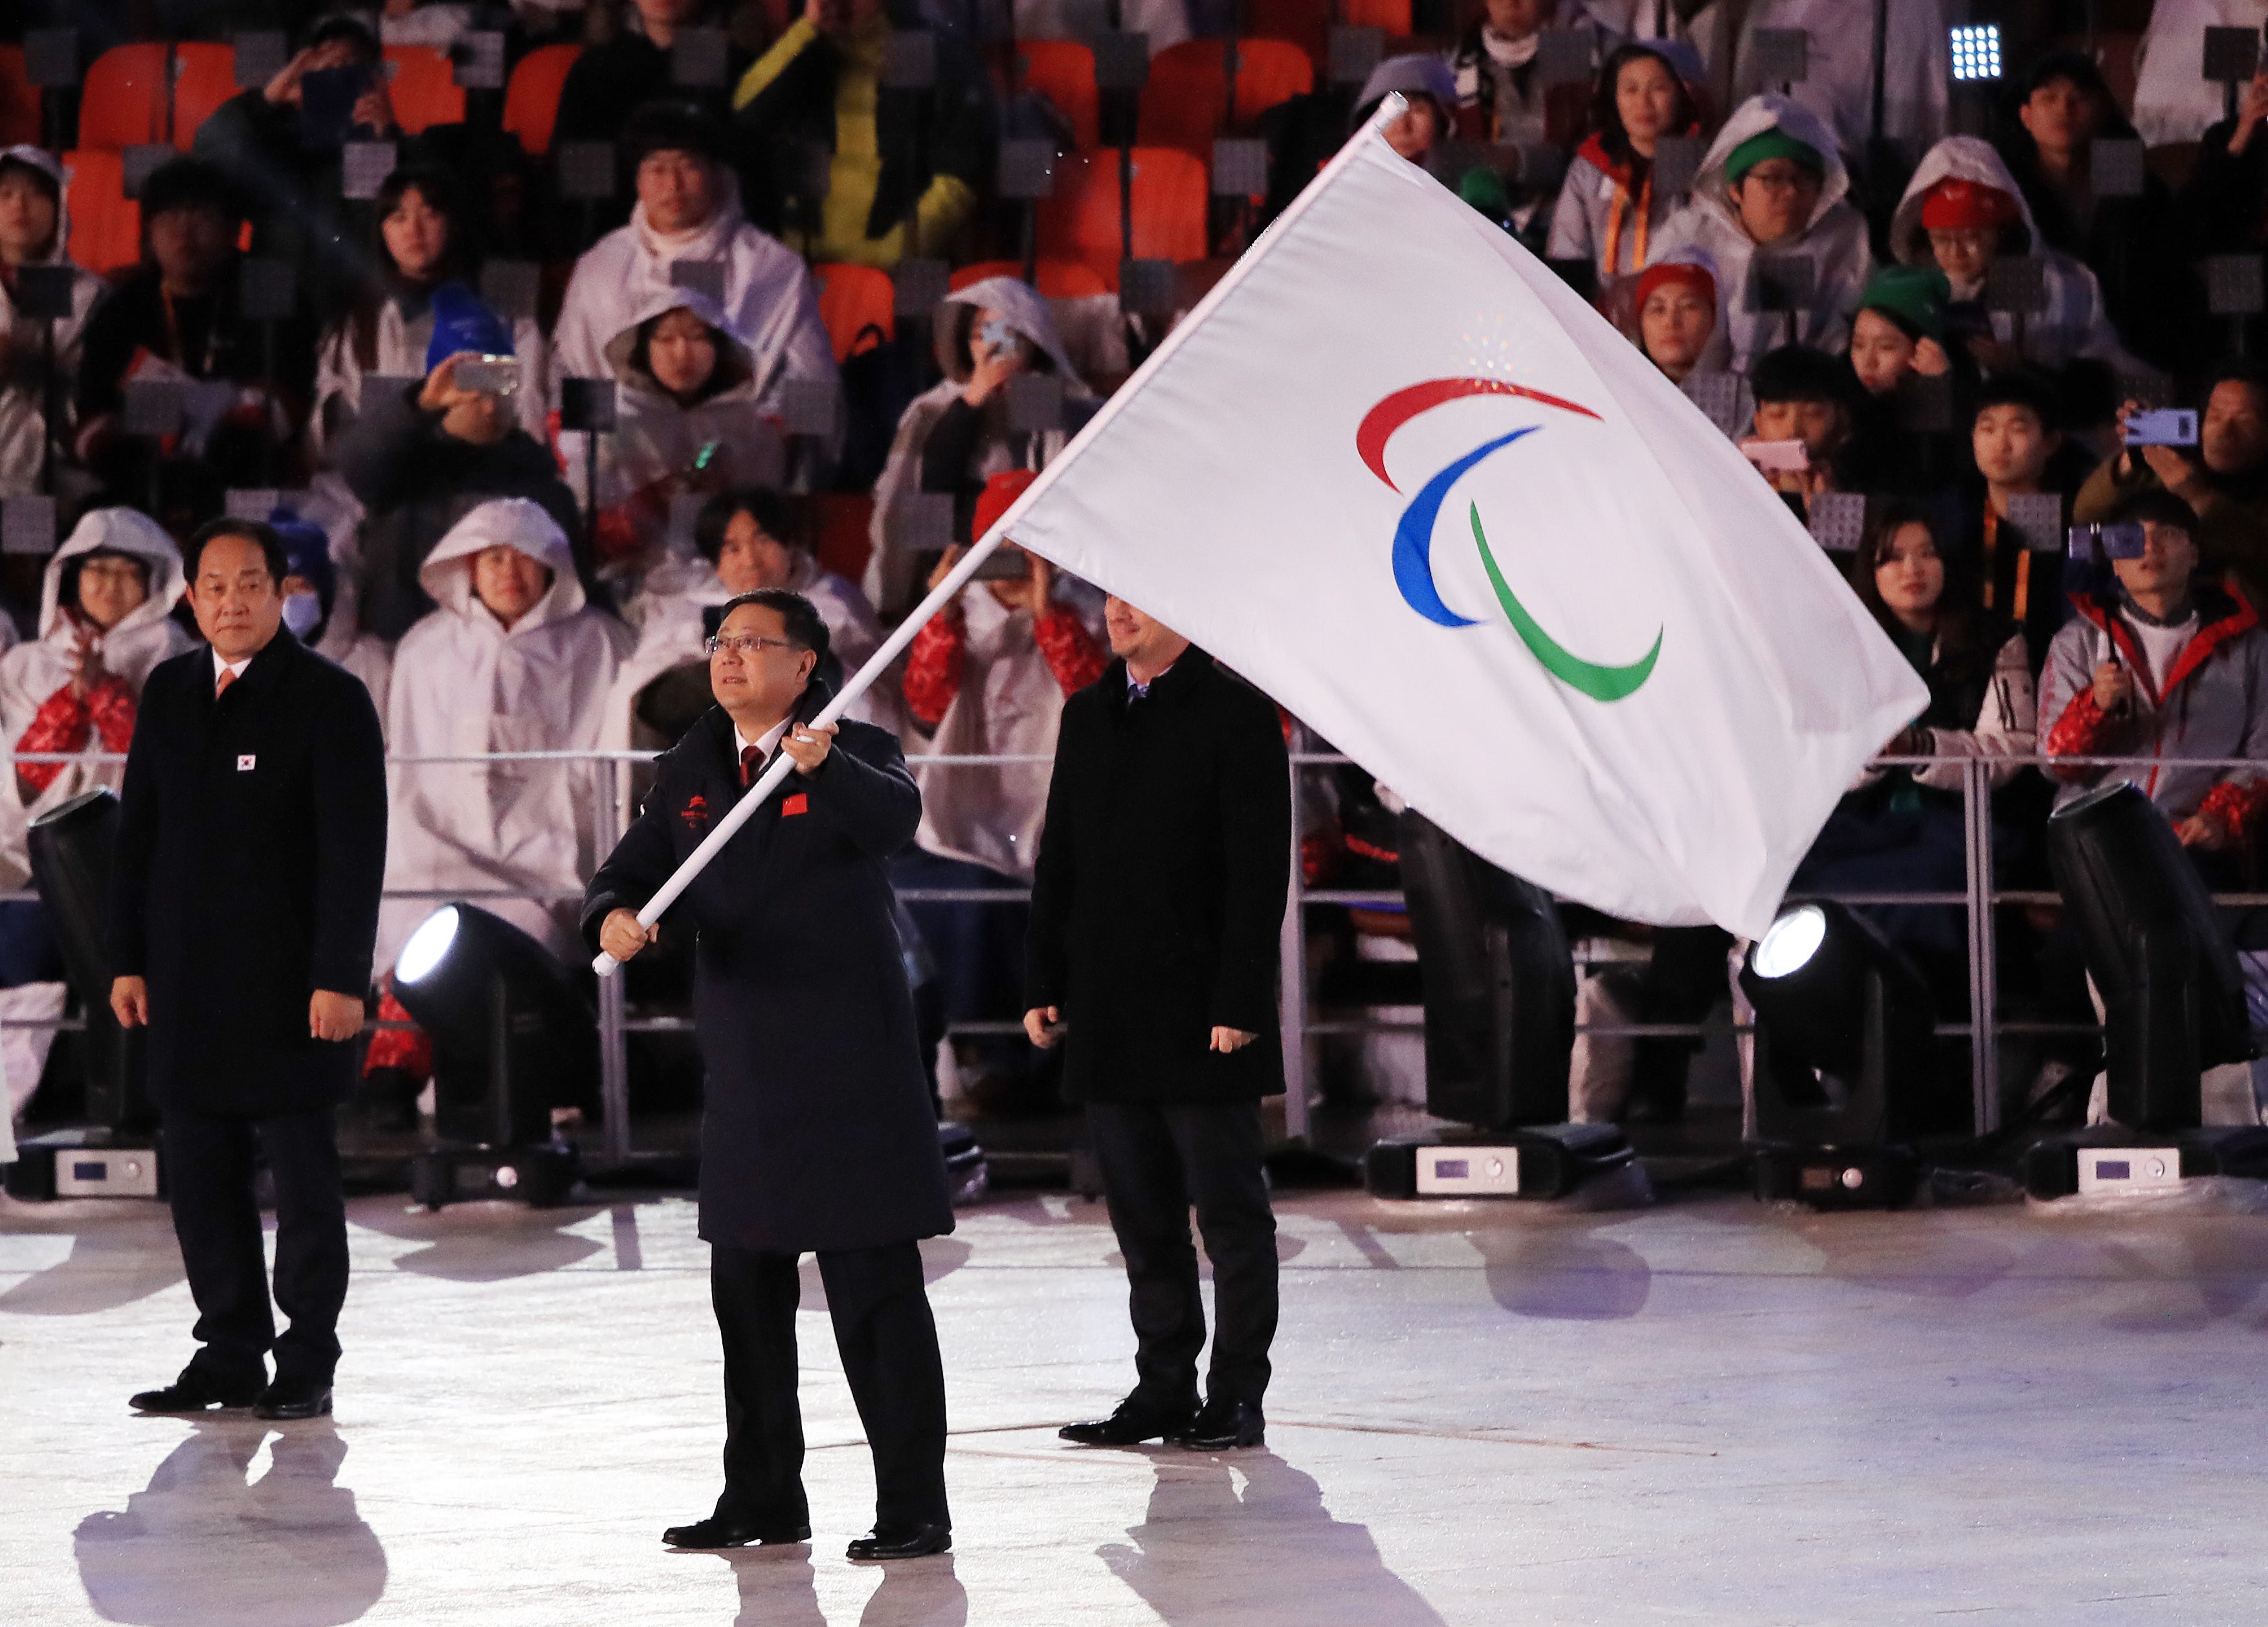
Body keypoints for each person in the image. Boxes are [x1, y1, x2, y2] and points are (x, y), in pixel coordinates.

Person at [584, 588, 955, 1562]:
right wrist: (612, 917)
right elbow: (627, 871)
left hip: (850, 1071)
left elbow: (894, 822)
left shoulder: (853, 745)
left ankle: (914, 1504)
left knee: (876, 1300)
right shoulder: (691, 766)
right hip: (746, 1074)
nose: (732, 657)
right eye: (723, 641)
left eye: (756, 643)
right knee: (746, 1302)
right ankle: (761, 1497)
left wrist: (823, 769)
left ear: (805, 665)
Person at [108, 516, 389, 1422]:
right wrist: (125, 957)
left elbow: (356, 851)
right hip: (187, 984)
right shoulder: (169, 690)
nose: (232, 601)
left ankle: (308, 1356)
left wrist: (342, 976)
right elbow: (137, 835)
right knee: (200, 1178)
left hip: (296, 989)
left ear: (284, 594)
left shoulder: (331, 697)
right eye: (215, 587)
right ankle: (228, 1350)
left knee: (304, 1184)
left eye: (251, 584)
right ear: (191, 599)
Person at [1027, 595, 1291, 1452]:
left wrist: (1242, 1004)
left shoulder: (1238, 713)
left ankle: (1238, 1394)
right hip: (1110, 1010)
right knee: (1142, 1218)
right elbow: (1058, 855)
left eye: (1138, 595)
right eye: (1108, 595)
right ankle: (1163, 1387)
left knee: (1230, 1216)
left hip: (1203, 1012)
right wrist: (1046, 979)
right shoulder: (1089, 712)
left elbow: (1258, 871)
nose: (1117, 611)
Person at [896, 472, 1106, 1109]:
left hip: (1065, 818)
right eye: (1004, 542)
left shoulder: (1094, 610)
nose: (1017, 558)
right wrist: (944, 614)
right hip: (969, 820)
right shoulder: (960, 609)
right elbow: (925, 704)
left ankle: (1049, 1064)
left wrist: (1049, 616)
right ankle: (986, 1056)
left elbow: (1097, 709)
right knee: (968, 900)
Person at [1788, 502, 2034, 1004]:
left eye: (1927, 554)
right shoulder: (1840, 645)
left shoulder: (1997, 640)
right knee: (1788, 875)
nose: (1911, 570)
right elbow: (1816, 752)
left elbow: (2011, 752)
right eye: (1893, 558)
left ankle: (1911, 1016)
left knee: (1924, 884)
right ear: (1870, 570)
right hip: (1862, 822)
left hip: (1958, 822)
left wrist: (1921, 748)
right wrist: (1874, 757)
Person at [375, 498, 630, 974]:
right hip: (439, 844)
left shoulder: (600, 642)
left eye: (524, 556)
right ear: (469, 567)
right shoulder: (424, 647)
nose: (509, 571)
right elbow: (409, 767)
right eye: (494, 558)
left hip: (553, 851)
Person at [548, 101, 837, 441]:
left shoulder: (769, 267)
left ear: (716, 173)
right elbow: (573, 372)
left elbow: (810, 378)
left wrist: (762, 442)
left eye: (688, 167)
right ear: (637, 179)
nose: (673, 186)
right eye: (657, 170)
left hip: (742, 452)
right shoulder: (602, 266)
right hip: (626, 461)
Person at [333, 288, 581, 641]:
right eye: (472, 386)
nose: (489, 405)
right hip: (407, 657)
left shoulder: (543, 486)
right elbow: (357, 464)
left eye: (500, 384)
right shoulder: (402, 472)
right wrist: (418, 404)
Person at [74, 159, 309, 502]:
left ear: (232, 230)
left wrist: (241, 420)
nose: (183, 234)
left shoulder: (268, 290)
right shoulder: (122, 307)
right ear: (149, 232)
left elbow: (295, 391)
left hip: (242, 468)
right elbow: (92, 407)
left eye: (200, 216)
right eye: (168, 218)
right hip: (146, 470)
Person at [2041, 489, 2268, 838]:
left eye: (2168, 534)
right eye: (2132, 539)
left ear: (2193, 553)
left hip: (2196, 840)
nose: (2150, 548)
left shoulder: (2249, 646)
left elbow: (2262, 753)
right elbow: (2054, 763)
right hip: (2100, 838)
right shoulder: (2077, 643)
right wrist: (2094, 709)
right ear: (2115, 561)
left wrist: (2220, 818)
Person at [867, 274, 1098, 615]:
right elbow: (923, 492)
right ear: (965, 343)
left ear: (1033, 340)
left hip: (1040, 568)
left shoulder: (1067, 405)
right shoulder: (933, 408)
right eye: (983, 334)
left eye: (1007, 334)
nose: (995, 347)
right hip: (960, 564)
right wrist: (974, 401)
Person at [0, 507, 192, 902]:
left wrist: (106, 692)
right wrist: (72, 700)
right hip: (30, 860)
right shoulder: (27, 663)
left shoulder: (179, 658)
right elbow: (19, 783)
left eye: (126, 572)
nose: (110, 584)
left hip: (147, 863)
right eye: (98, 570)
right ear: (74, 576)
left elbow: (167, 770)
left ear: (153, 580)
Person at [607, 486, 884, 754]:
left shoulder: (834, 599)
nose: (750, 560)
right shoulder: (688, 607)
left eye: (763, 541)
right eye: (733, 549)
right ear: (716, 563)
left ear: (790, 545)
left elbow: (864, 675)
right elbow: (645, 685)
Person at [308, 166, 549, 458]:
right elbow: (330, 436)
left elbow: (528, 411)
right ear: (382, 232)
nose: (414, 230)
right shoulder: (358, 326)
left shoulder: (499, 318)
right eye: (399, 217)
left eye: (429, 214)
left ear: (452, 223)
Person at [731, 0, 990, 268]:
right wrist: (807, 30)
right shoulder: (806, 48)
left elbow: (959, 177)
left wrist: (896, 249)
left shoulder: (937, 52)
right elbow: (747, 114)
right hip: (798, 263)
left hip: (896, 266)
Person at [192, 16, 410, 322]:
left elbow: (395, 220)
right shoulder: (270, 139)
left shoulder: (384, 146)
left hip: (354, 314)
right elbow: (209, 162)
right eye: (326, 67)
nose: (338, 80)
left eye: (351, 68)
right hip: (277, 313)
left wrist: (386, 138)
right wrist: (266, 102)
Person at [574, 291, 790, 585]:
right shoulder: (611, 422)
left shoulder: (750, 424)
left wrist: (726, 500)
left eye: (698, 338)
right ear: (642, 345)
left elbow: (776, 518)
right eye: (665, 339)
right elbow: (581, 525)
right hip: (634, 584)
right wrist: (648, 504)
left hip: (730, 582)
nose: (682, 354)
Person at [1652, 95, 1871, 376]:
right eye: (1773, 179)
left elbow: (1847, 333)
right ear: (1735, 189)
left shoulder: (1843, 238)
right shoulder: (1687, 237)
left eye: (1804, 179)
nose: (1791, 192)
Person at [1885, 137, 2137, 381]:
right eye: (1941, 238)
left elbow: (2108, 377)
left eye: (1972, 237)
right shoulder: (1903, 291)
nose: (1955, 251)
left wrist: (2021, 369)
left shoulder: (2065, 284)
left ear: (2000, 232)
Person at [1994, 49, 2183, 370]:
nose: (2064, 110)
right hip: (2043, 354)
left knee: (2160, 412)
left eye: (2079, 98)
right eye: (2049, 98)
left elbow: (2163, 276)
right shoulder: (2008, 188)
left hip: (2134, 347)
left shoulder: (2132, 183)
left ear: (2102, 110)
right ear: (2025, 115)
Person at [2074, 362, 2268, 612]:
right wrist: (2133, 458)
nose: (2224, 431)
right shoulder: (2171, 469)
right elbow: (2085, 514)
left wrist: (2197, 498)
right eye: (2215, 416)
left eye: (2245, 421)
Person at [552, 0, 751, 233]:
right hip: (619, 244)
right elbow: (580, 193)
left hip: (711, 240)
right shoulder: (596, 69)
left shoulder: (730, 66)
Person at [1955, 368, 2096, 665]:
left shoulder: (2076, 524)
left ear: (2051, 442)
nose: (2001, 444)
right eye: (1987, 428)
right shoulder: (1954, 517)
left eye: (2018, 429)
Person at [1547, 43, 1704, 283]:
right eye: (1631, 90)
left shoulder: (1700, 167)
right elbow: (1568, 256)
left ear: (1683, 93)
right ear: (1614, 98)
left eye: (1658, 88)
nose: (1644, 103)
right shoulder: (1590, 168)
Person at [0, 146, 105, 500]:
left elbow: (99, 389)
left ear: (59, 206)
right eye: (6, 194)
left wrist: (30, 364)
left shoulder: (90, 294)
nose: (19, 205)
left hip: (58, 470)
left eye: (34, 193)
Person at [1447, 0, 1618, 149]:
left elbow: (1573, 138)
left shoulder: (1567, 45)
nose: (1511, 3)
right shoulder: (1463, 57)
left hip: (1557, 177)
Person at [1742, 344, 1863, 513]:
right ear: (1759, 422)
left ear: (1839, 418)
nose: (1793, 431)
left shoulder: (1857, 479)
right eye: (1777, 415)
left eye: (1813, 414)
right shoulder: (1740, 478)